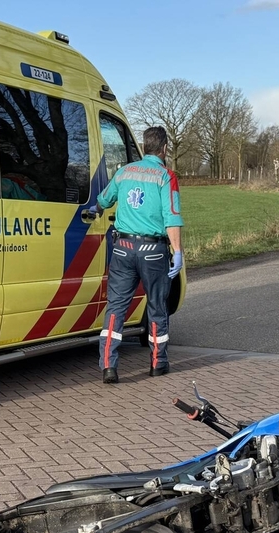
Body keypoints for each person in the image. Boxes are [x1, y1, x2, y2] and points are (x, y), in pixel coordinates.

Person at [96, 126, 183, 383]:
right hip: (153, 251)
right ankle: (158, 363)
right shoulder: (166, 177)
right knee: (157, 307)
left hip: (123, 248)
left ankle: (108, 366)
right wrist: (177, 252)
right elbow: (172, 217)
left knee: (116, 307)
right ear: (165, 148)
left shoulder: (124, 172)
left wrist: (96, 209)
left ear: (144, 146)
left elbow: (103, 200)